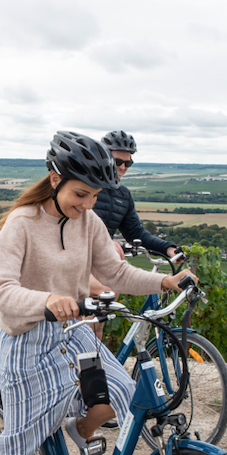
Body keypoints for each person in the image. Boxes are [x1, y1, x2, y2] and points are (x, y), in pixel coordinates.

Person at [0, 131, 194, 455]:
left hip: (72, 332)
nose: (87, 204)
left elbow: (116, 272)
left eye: (95, 196)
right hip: (27, 342)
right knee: (17, 447)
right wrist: (46, 300)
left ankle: (80, 430)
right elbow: (3, 291)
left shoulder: (88, 223)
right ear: (55, 180)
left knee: (121, 396)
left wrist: (164, 281)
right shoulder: (22, 224)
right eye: (80, 194)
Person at [89, 130, 179, 340]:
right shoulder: (86, 187)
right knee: (84, 324)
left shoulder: (123, 195)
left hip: (103, 264)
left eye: (127, 163)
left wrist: (167, 248)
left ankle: (95, 359)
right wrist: (106, 242)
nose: (122, 167)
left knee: (97, 328)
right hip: (78, 263)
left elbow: (135, 232)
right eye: (117, 161)